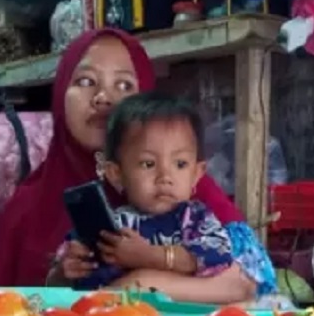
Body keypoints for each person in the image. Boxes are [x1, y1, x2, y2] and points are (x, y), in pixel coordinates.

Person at [0, 27, 275, 303]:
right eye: (85, 81)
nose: (103, 98)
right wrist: (61, 275)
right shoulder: (28, 207)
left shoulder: (187, 186)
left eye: (124, 85)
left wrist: (140, 284)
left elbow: (250, 281)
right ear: (60, 94)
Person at [49, 93, 236, 292]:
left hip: (179, 312)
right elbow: (56, 283)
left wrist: (151, 256)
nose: (165, 176)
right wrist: (65, 271)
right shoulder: (110, 228)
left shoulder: (196, 219)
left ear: (197, 174)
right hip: (111, 311)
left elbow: (218, 256)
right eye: (148, 164)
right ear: (116, 174)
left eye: (180, 164)